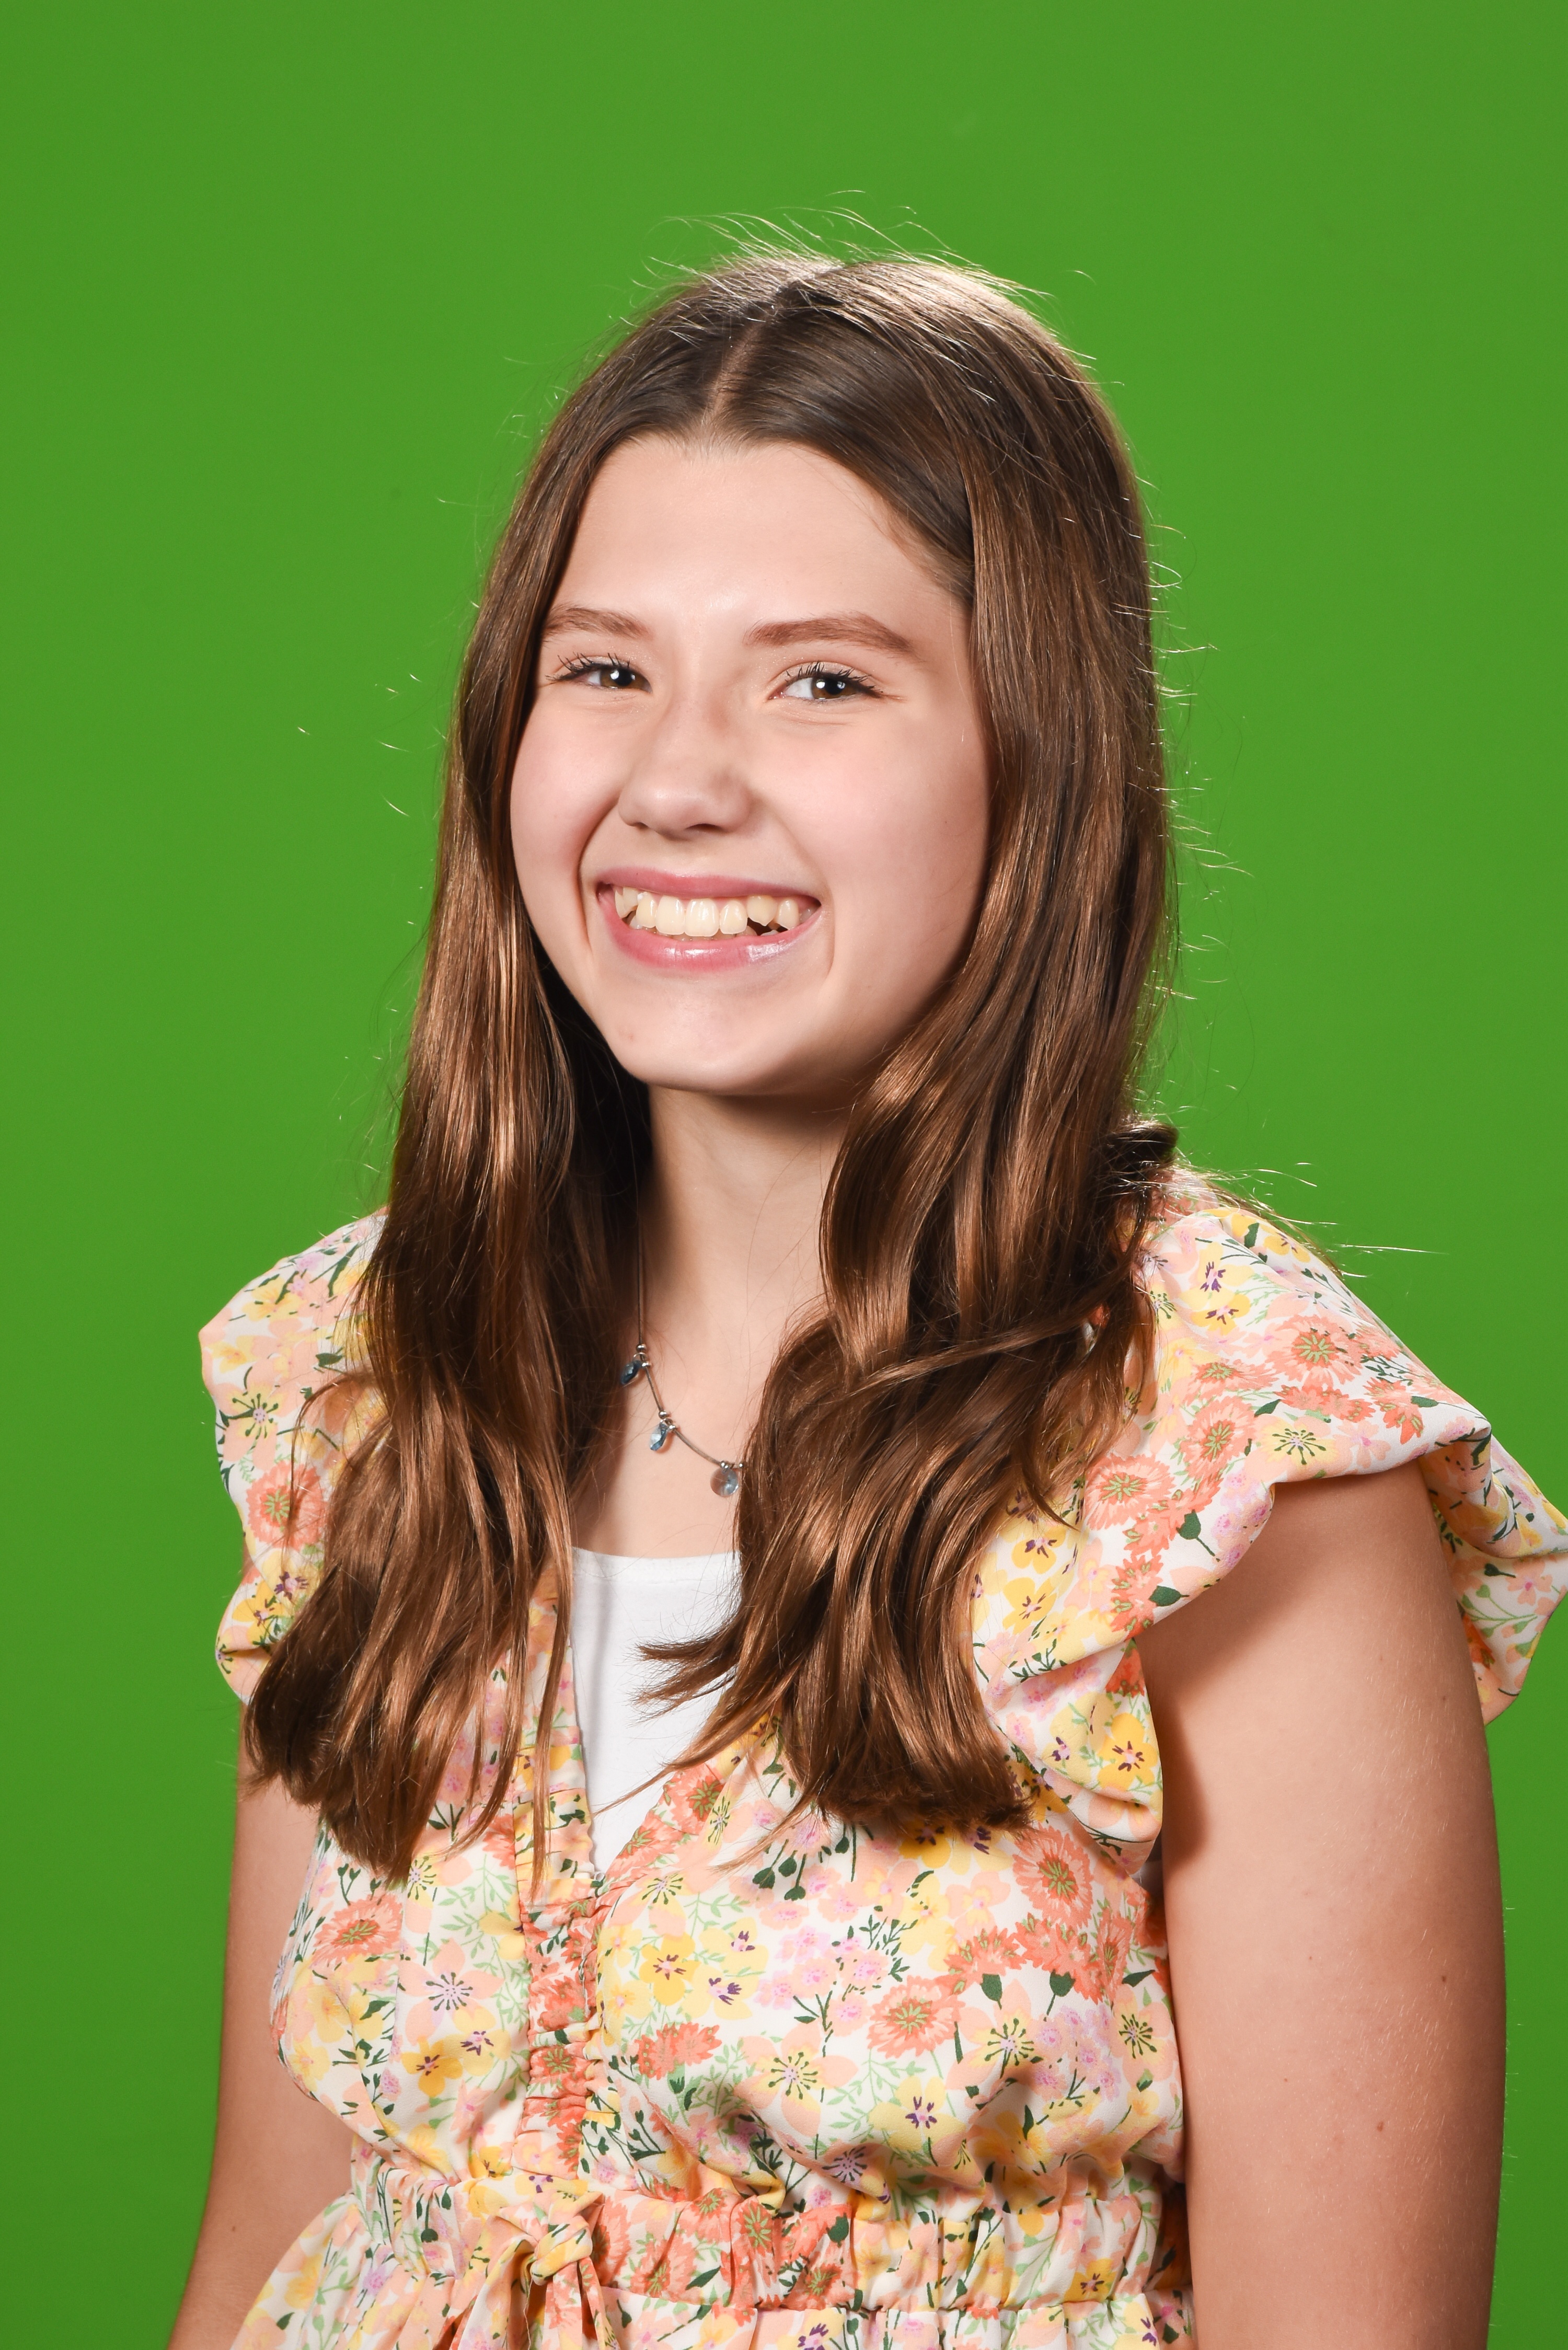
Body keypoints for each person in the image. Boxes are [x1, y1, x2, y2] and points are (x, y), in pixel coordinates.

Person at [170, 254, 1567, 2350]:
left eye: (821, 682)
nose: (677, 782)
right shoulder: (374, 1375)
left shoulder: (1232, 1459)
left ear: (1035, 760)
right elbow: (281, 2229)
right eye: (604, 668)